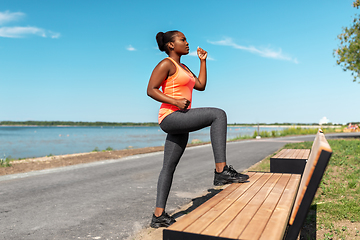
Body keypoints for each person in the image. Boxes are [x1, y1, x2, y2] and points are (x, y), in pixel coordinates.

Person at [147, 30, 249, 228]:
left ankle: (158, 216)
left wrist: (203, 61)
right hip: (170, 116)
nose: (187, 43)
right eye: (182, 40)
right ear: (170, 45)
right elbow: (151, 89)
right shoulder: (166, 64)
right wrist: (175, 100)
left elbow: (200, 85)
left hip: (180, 119)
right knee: (218, 114)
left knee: (168, 166)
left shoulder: (183, 66)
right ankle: (221, 171)